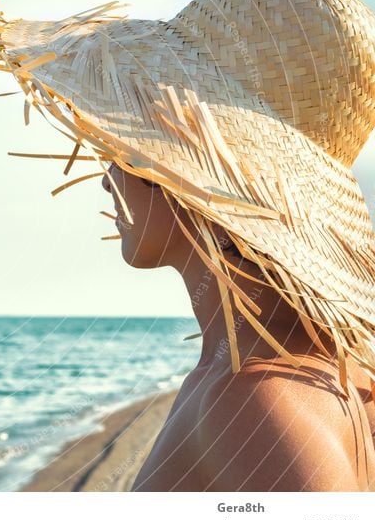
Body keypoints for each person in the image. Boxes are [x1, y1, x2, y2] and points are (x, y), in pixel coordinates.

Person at [0, 0, 375, 490]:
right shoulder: (303, 374)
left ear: (183, 173)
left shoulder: (254, 400)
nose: (107, 179)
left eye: (126, 149)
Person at [102, 162, 375, 491]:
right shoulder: (335, 365)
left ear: (208, 189)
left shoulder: (253, 395)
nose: (107, 181)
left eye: (122, 160)